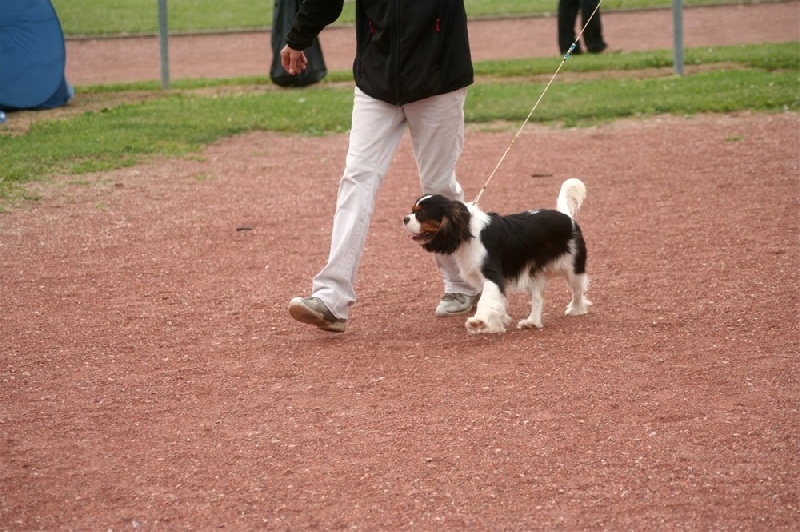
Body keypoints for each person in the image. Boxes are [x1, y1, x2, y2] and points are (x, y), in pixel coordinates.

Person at [282, 0, 480, 333]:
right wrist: (299, 37)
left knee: (438, 186)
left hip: (438, 79)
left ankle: (462, 282)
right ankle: (331, 297)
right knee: (356, 178)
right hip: (377, 79)